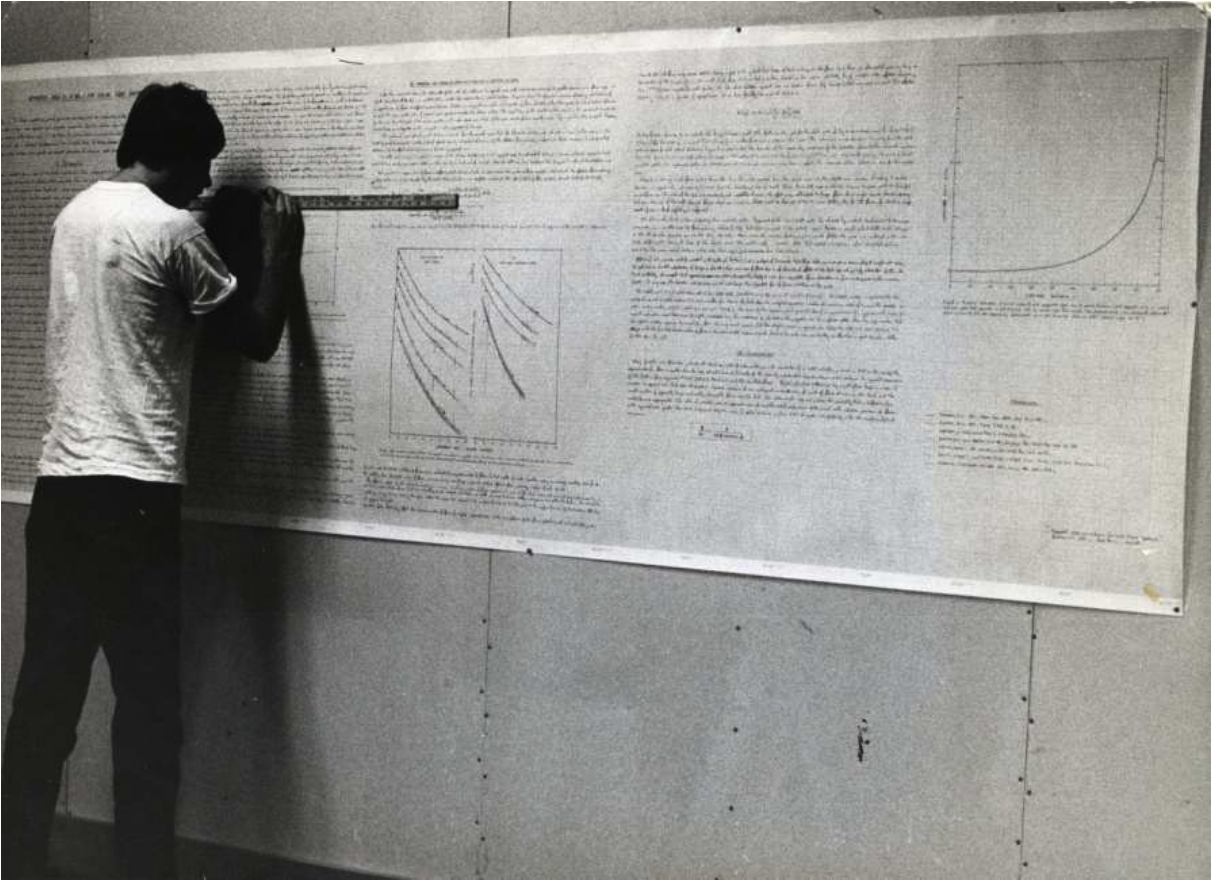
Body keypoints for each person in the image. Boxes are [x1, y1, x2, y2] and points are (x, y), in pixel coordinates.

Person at [1, 82, 304, 878]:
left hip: (62, 488)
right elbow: (257, 337)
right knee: (147, 710)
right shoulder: (174, 232)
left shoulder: (75, 215)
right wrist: (279, 251)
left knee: (45, 697)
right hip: (136, 496)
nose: (206, 183)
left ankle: (17, 861)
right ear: (177, 154)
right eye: (203, 165)